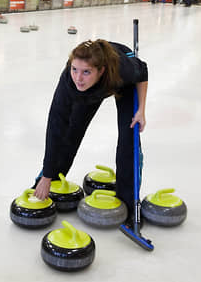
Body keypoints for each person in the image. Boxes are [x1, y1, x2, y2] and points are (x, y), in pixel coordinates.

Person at [33, 39, 148, 222]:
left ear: (100, 71)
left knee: (128, 139)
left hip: (121, 84)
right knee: (70, 132)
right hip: (91, 90)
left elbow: (142, 72)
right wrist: (47, 175)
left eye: (86, 72)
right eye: (74, 69)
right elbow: (56, 128)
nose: (78, 77)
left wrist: (141, 110)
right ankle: (49, 179)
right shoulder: (70, 82)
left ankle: (129, 203)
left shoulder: (122, 70)